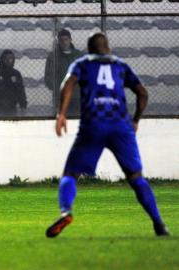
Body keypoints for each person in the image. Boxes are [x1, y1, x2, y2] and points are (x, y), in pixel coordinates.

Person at [46, 33, 169, 238]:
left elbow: (67, 84)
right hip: (121, 127)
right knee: (136, 177)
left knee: (71, 174)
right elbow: (143, 93)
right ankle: (159, 224)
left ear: (89, 49)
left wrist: (62, 115)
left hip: (93, 125)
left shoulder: (82, 63)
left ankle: (66, 211)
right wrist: (136, 119)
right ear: (108, 47)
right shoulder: (120, 65)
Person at [44, 29, 82, 116]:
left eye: (66, 39)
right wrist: (59, 88)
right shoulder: (53, 56)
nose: (64, 42)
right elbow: (48, 77)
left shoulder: (78, 55)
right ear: (58, 41)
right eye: (61, 40)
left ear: (70, 39)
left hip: (77, 97)